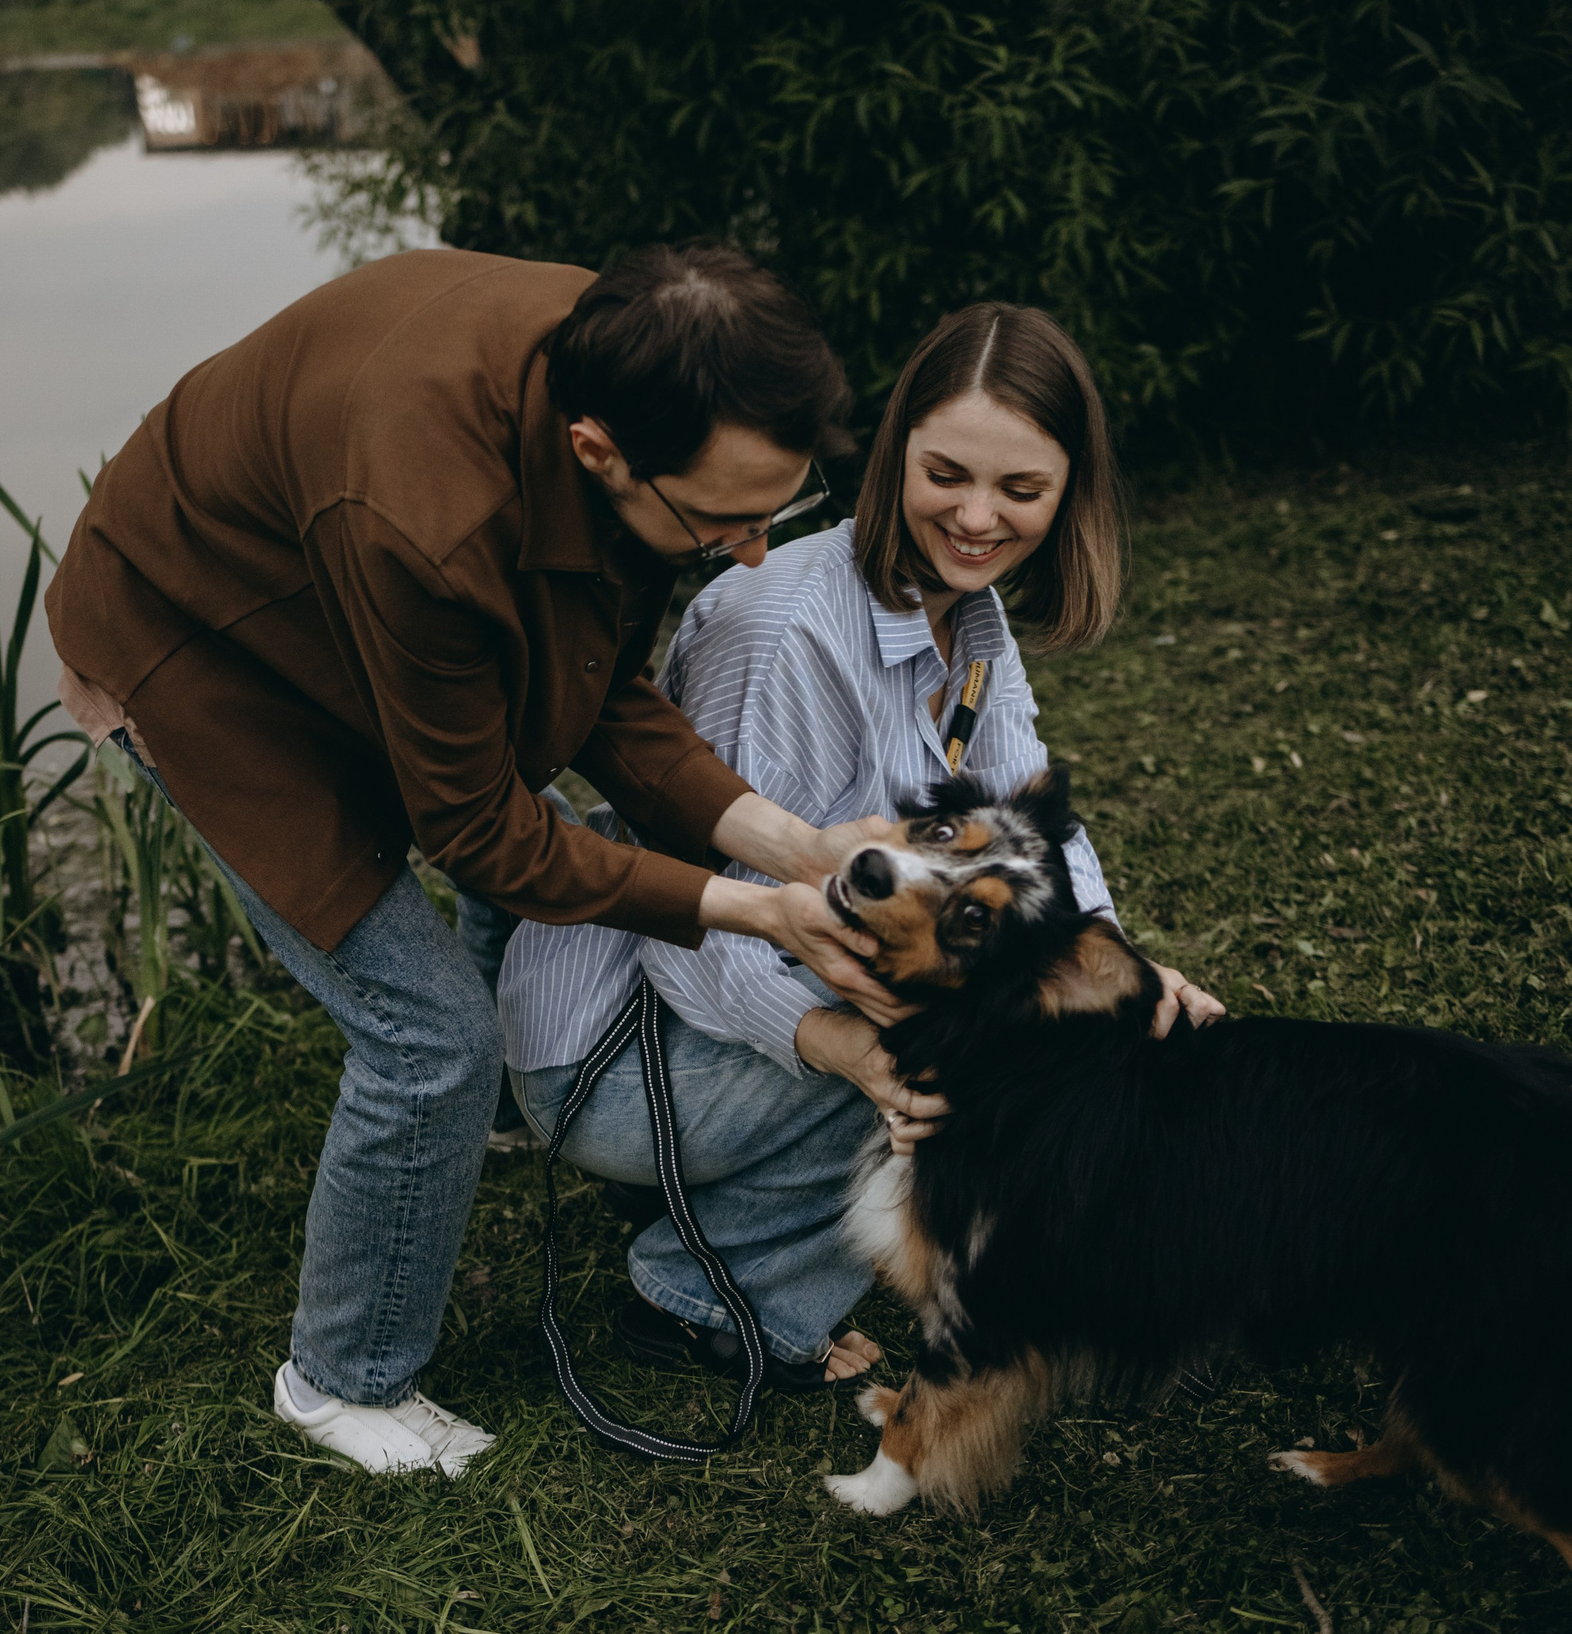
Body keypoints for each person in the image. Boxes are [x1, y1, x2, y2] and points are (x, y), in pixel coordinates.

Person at [44, 244, 914, 1478]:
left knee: (501, 822)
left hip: (337, 553)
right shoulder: (425, 519)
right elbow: (483, 838)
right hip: (202, 638)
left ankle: (495, 1120)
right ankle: (339, 1381)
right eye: (721, 523)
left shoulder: (636, 351)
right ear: (598, 450)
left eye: (776, 508)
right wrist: (757, 911)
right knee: (426, 1035)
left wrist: (796, 846)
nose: (759, 551)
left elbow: (600, 687)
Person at [496, 302, 1225, 1391]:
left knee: (1058, 1014)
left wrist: (1114, 965)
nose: (978, 517)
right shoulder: (785, 627)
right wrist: (846, 1047)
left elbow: (1025, 833)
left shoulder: (964, 614)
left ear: (1069, 491)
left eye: (1021, 491)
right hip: (606, 1052)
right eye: (947, 476)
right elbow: (687, 931)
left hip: (722, 1012)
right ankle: (706, 1296)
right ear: (894, 456)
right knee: (961, 1047)